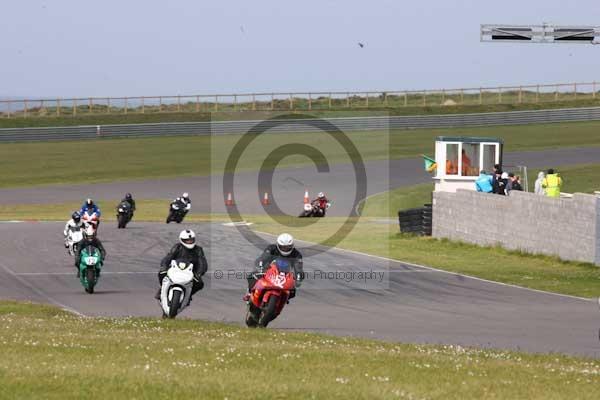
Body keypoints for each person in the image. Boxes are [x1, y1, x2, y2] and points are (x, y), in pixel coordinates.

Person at [244, 233, 304, 301]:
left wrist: (298, 279)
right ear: (278, 245)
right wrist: (260, 266)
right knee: (252, 276)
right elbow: (263, 258)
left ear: (292, 246)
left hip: (285, 275)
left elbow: (299, 268)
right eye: (283, 247)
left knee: (292, 292)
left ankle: (281, 300)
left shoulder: (297, 254)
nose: (285, 249)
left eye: (288, 247)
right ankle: (249, 293)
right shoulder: (271, 248)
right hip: (268, 270)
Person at [155, 229, 207, 300]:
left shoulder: (198, 250)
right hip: (175, 269)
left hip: (190, 272)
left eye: (191, 240)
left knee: (200, 284)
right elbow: (169, 256)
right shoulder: (177, 247)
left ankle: (189, 294)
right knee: (162, 273)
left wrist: (199, 273)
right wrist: (164, 265)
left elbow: (202, 262)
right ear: (182, 240)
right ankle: (162, 289)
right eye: (187, 240)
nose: (190, 242)